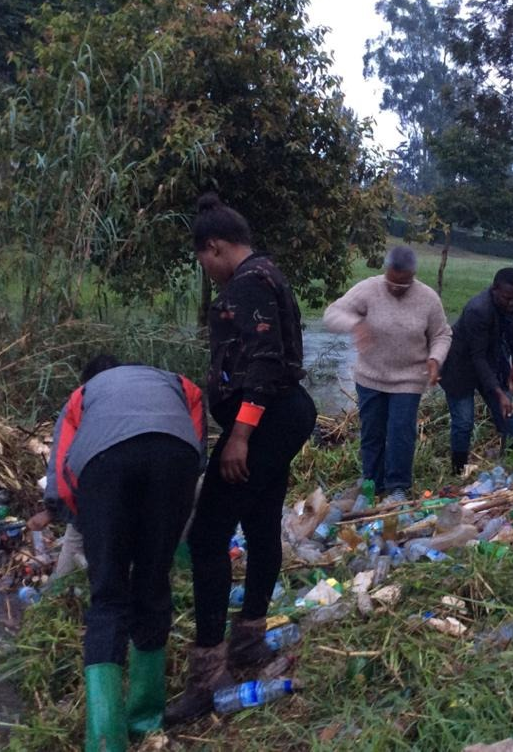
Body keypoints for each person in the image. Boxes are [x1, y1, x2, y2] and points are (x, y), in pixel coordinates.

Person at [165, 192, 317, 724]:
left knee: (206, 537)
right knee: (258, 523)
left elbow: (265, 361)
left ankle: (208, 676)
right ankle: (250, 639)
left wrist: (239, 437)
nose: (205, 270)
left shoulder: (247, 283)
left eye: (203, 260)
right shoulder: (269, 273)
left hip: (267, 417)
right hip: (283, 414)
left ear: (214, 248)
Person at [36, 355, 206, 752]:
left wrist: (95, 527)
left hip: (106, 465)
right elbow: (197, 452)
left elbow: (61, 478)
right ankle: (146, 721)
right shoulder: (180, 384)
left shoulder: (83, 395)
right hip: (174, 459)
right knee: (152, 584)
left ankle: (106, 738)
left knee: (109, 596)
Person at [322, 245, 452, 501]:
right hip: (370, 376)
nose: (395, 289)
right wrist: (355, 324)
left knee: (401, 432)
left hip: (409, 379)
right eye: (392, 282)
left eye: (403, 285)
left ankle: (397, 487)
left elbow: (441, 334)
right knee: (372, 432)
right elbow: (331, 314)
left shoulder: (427, 298)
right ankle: (372, 483)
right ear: (386, 271)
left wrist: (436, 359)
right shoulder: (369, 289)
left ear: (412, 276)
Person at [441, 268, 513, 473]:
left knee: (507, 413)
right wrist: (498, 393)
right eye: (507, 299)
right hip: (460, 365)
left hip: (493, 358)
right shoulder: (477, 310)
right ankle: (458, 470)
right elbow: (477, 358)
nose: (512, 304)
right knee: (464, 421)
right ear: (494, 290)